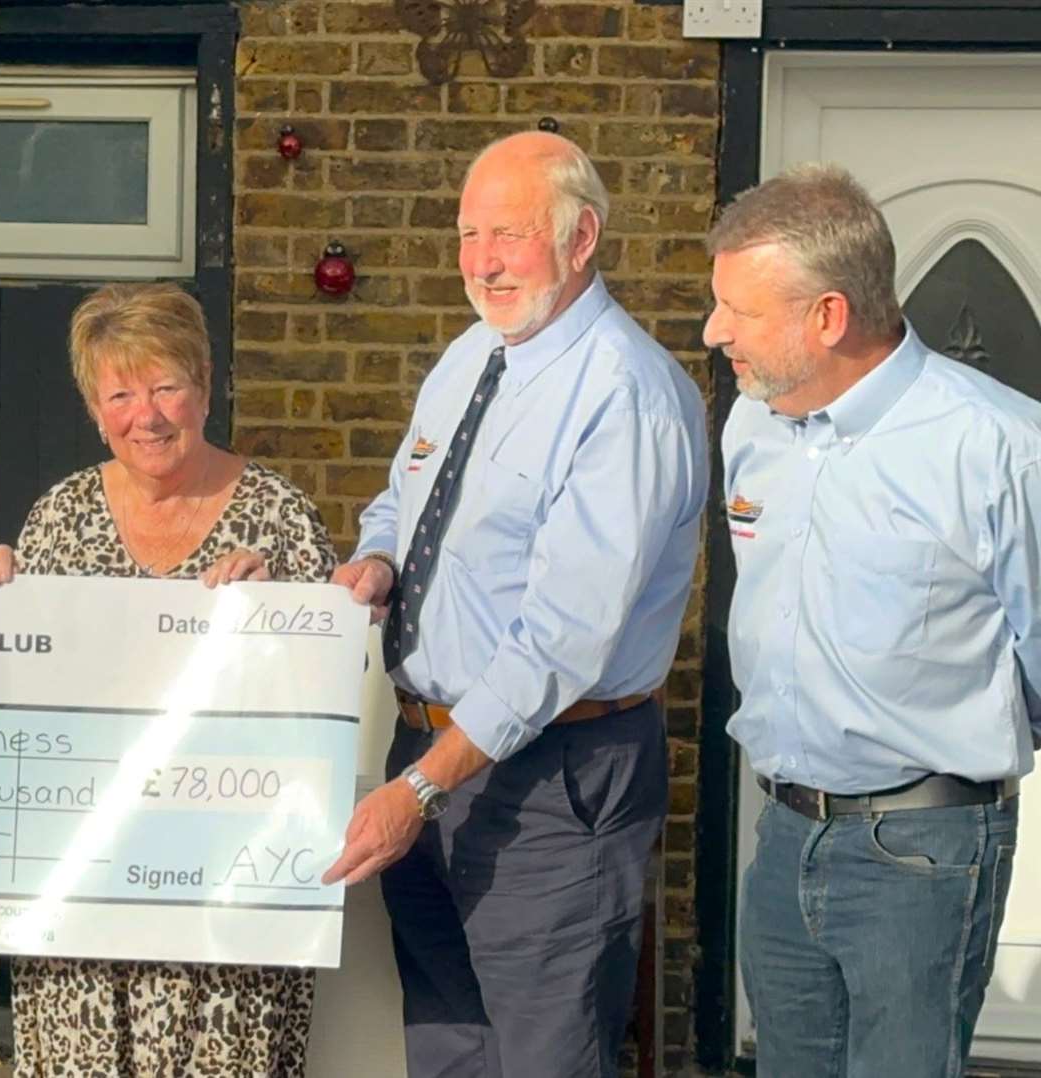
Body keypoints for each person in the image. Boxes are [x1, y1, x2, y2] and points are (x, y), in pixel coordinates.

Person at [322, 131, 708, 1078]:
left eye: (509, 235)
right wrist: (376, 558)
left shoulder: (627, 393)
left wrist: (418, 789)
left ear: (583, 241)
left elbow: (561, 640)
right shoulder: (469, 356)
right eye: (467, 234)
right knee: (450, 1047)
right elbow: (403, 498)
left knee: (547, 1055)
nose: (482, 262)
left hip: (554, 777)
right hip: (433, 755)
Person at [711, 164, 1035, 1076]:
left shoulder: (995, 447)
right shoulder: (753, 427)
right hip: (781, 837)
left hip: (923, 853)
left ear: (828, 316)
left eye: (739, 309)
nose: (714, 331)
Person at [0, 281, 336, 1076]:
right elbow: (13, 704)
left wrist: (282, 620)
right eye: (122, 393)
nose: (149, 414)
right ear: (95, 408)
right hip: (84, 898)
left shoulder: (281, 518)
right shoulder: (55, 520)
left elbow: (329, 705)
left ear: (204, 388)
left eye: (167, 386)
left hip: (226, 907)